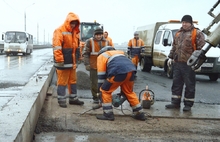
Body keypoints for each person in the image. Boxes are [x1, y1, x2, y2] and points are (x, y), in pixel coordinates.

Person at [165, 15, 205, 111]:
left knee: (189, 84)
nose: (184, 24)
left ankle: (188, 104)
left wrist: (198, 63)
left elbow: (202, 50)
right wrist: (170, 58)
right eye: (183, 22)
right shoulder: (178, 34)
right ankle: (175, 103)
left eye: (186, 22)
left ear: (191, 23)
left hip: (189, 64)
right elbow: (174, 47)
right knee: (176, 84)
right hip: (177, 63)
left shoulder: (197, 33)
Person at [95, 46, 146, 121]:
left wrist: (100, 90)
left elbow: (101, 75)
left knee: (105, 91)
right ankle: (139, 113)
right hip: (131, 72)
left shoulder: (101, 56)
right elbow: (127, 64)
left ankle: (108, 114)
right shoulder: (121, 53)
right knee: (129, 92)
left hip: (117, 72)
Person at [52, 12, 84, 108]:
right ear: (67, 22)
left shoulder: (75, 33)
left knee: (73, 80)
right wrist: (59, 60)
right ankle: (61, 99)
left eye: (75, 23)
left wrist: (79, 57)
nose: (73, 25)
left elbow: (77, 47)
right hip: (63, 62)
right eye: (72, 23)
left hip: (72, 62)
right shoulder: (59, 30)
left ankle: (73, 98)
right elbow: (57, 47)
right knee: (62, 81)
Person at [83, 27, 113, 104]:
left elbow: (111, 53)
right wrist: (87, 64)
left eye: (100, 34)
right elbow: (85, 54)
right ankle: (95, 97)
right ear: (94, 35)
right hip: (93, 66)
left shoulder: (107, 42)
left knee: (105, 83)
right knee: (94, 83)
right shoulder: (89, 41)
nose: (98, 36)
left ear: (102, 34)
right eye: (97, 35)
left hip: (104, 67)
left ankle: (103, 97)